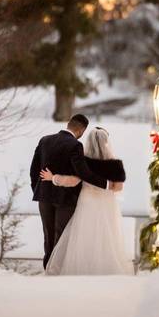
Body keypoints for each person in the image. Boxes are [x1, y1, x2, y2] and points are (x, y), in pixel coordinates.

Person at [30, 114, 121, 269]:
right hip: (66, 200)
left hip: (44, 197)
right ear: (82, 130)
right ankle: (56, 272)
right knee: (61, 237)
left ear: (68, 124)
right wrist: (106, 184)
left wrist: (39, 190)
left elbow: (33, 171)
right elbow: (82, 173)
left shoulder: (45, 140)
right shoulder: (75, 145)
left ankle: (48, 271)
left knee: (48, 236)